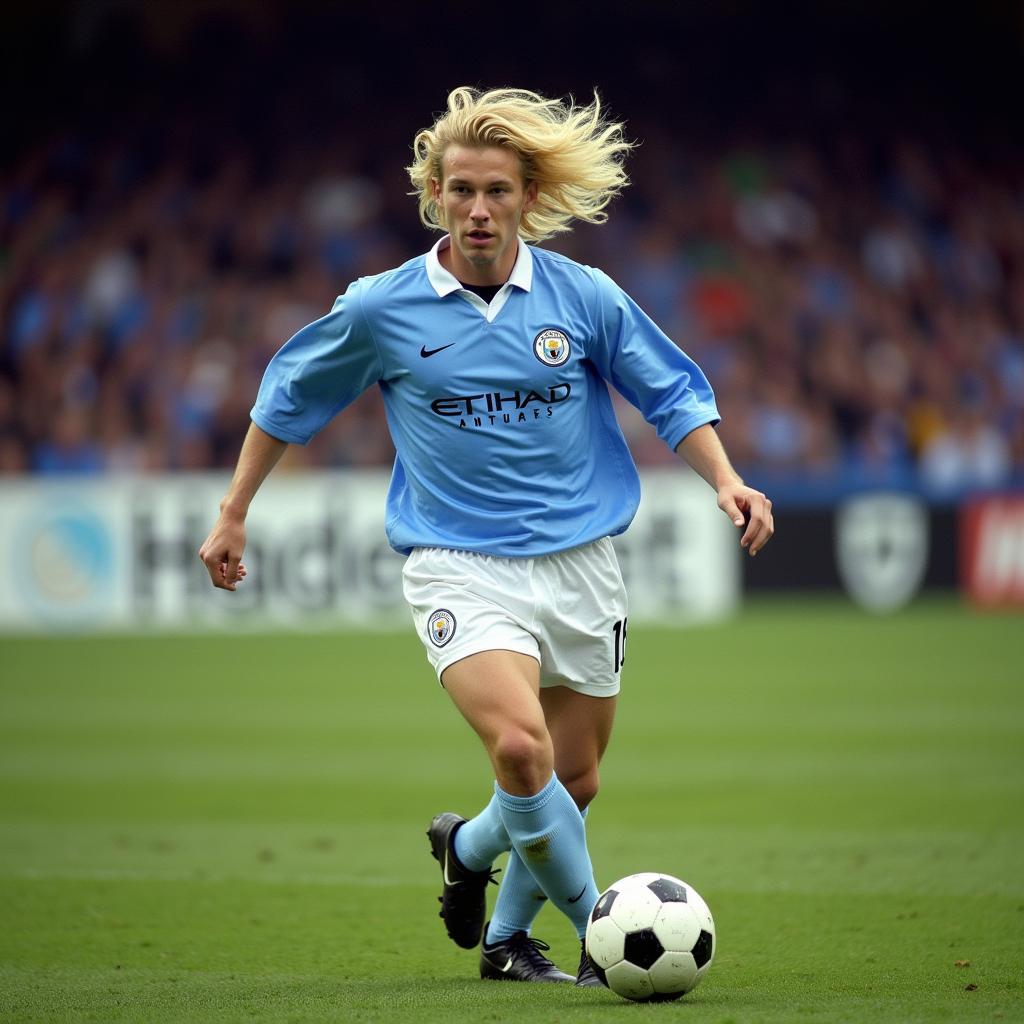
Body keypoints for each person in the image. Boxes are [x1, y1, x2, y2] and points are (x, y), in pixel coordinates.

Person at [199, 86, 774, 987]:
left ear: (526, 200)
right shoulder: (380, 309)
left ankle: (478, 875)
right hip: (458, 565)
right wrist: (235, 512)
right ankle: (603, 935)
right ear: (434, 196)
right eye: (460, 190)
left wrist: (729, 479)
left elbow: (670, 393)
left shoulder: (583, 297)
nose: (477, 209)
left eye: (496, 191)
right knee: (519, 751)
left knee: (569, 785)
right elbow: (285, 400)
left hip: (583, 563)